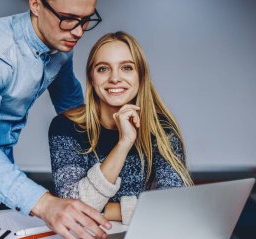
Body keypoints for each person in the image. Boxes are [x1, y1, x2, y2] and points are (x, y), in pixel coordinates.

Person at [0, 0, 112, 239]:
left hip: (2, 177)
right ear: (35, 4)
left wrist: (115, 144)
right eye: (67, 18)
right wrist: (44, 203)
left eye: (86, 20)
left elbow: (72, 108)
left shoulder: (61, 46)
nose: (77, 31)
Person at [49, 31, 194, 225]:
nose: (115, 78)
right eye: (103, 69)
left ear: (141, 76)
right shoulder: (65, 127)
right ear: (92, 78)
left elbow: (175, 207)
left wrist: (109, 210)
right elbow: (75, 206)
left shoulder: (161, 130)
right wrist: (124, 143)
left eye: (126, 67)